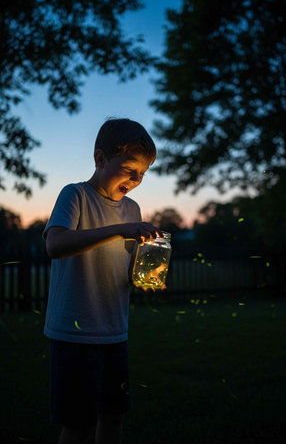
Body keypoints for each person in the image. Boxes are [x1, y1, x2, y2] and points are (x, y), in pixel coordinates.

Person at [43, 118, 164, 444]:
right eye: (129, 169)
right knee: (78, 425)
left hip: (114, 332)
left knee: (113, 419)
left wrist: (144, 276)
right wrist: (118, 231)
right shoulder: (76, 196)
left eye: (142, 173)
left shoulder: (132, 209)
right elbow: (55, 245)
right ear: (100, 159)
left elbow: (124, 267)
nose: (136, 180)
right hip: (74, 332)